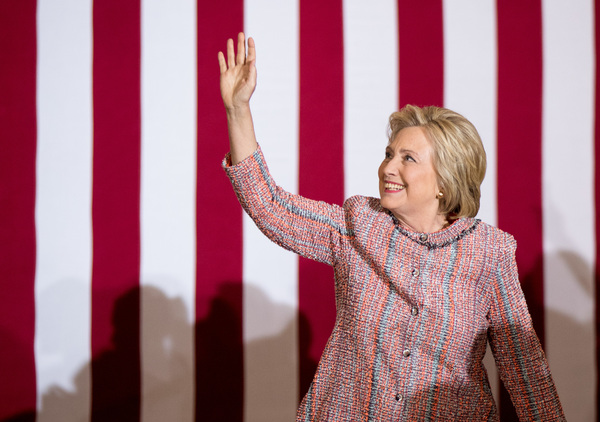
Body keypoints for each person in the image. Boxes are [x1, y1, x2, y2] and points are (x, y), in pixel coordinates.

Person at [218, 32, 565, 421]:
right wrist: (238, 110)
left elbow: (527, 373)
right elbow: (270, 207)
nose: (388, 167)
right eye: (388, 154)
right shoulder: (357, 226)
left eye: (408, 158)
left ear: (445, 181)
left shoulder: (489, 254)